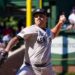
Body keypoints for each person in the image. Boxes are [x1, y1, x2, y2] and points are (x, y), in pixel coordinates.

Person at [1, 8, 66, 75]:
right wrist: (6, 50)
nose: (38, 18)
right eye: (36, 16)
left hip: (47, 68)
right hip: (30, 67)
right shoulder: (30, 29)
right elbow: (15, 39)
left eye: (41, 16)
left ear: (46, 19)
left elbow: (54, 33)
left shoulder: (48, 31)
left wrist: (60, 22)